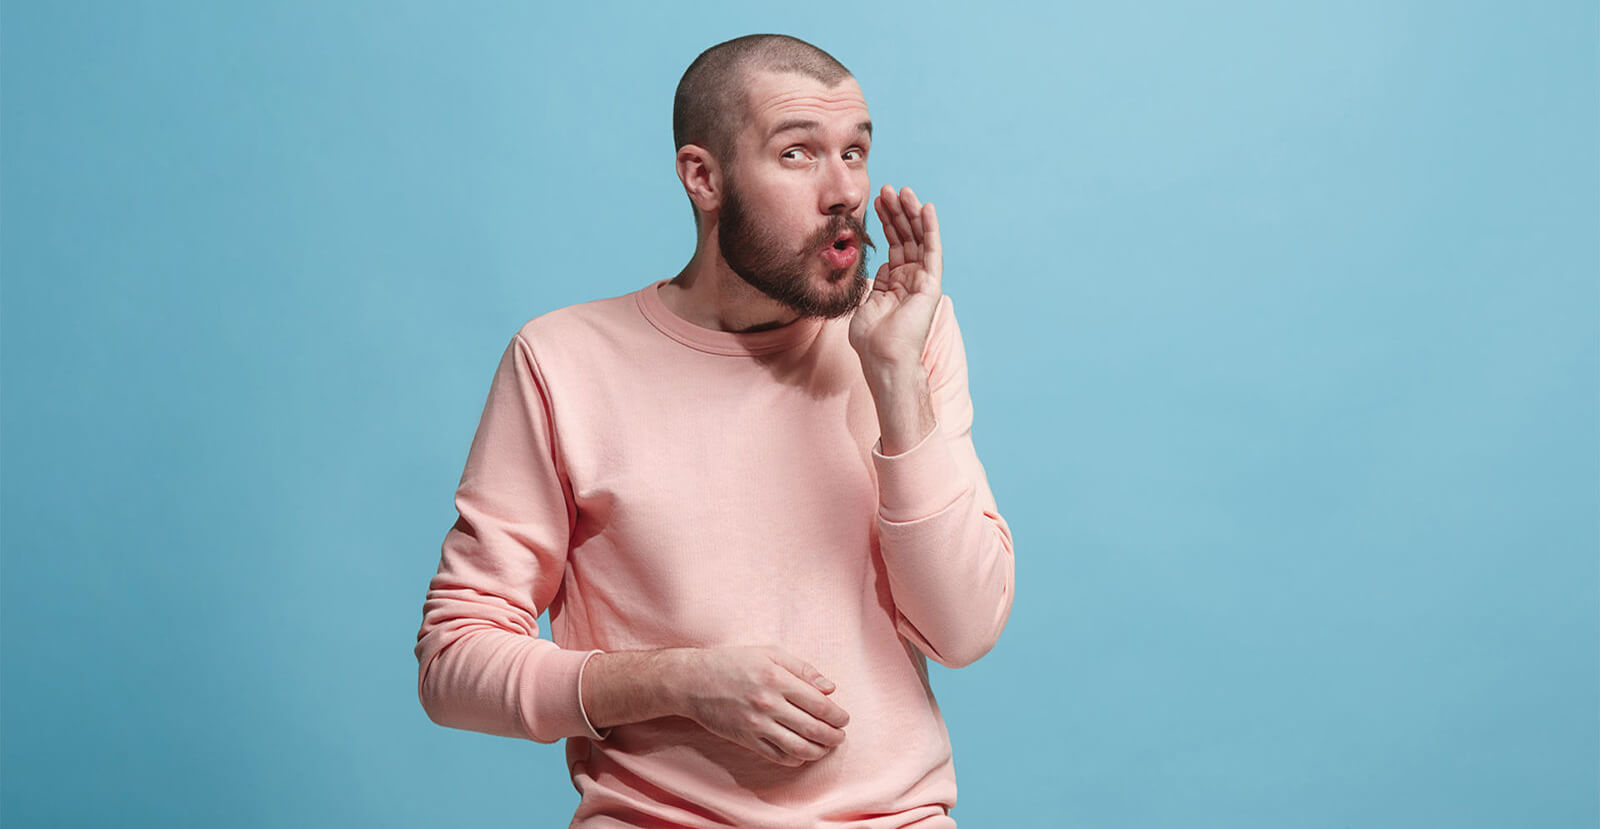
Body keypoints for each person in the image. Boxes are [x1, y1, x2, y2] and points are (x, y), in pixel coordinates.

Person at [414, 33, 1015, 828]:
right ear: (704, 177)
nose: (845, 191)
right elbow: (453, 662)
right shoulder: (561, 361)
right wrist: (677, 682)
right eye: (799, 154)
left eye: (855, 152)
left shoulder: (907, 336)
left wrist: (896, 379)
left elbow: (965, 630)